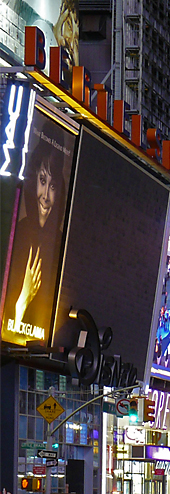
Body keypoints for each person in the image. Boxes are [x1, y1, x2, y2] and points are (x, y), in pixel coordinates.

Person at [2, 135, 67, 342]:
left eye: (53, 186)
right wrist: (24, 298)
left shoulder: (59, 246)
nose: (46, 196)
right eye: (42, 181)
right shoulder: (14, 236)